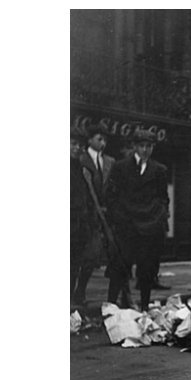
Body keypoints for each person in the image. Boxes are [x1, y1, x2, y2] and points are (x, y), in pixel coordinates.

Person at [105, 130, 169, 310]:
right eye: (141, 146)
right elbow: (111, 196)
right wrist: (119, 217)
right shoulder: (120, 167)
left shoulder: (159, 170)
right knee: (120, 266)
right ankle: (110, 306)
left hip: (149, 226)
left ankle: (145, 307)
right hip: (127, 225)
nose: (145, 150)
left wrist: (159, 217)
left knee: (147, 269)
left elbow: (163, 198)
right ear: (135, 146)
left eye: (149, 146)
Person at [73, 123, 115, 306]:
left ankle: (79, 292)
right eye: (99, 139)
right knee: (72, 260)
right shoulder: (79, 161)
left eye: (105, 140)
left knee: (91, 257)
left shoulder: (108, 162)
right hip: (76, 219)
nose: (103, 143)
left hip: (93, 219)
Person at [71, 127, 95, 308]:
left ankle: (76, 296)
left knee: (80, 262)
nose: (77, 148)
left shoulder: (83, 170)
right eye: (73, 143)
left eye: (80, 145)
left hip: (80, 224)